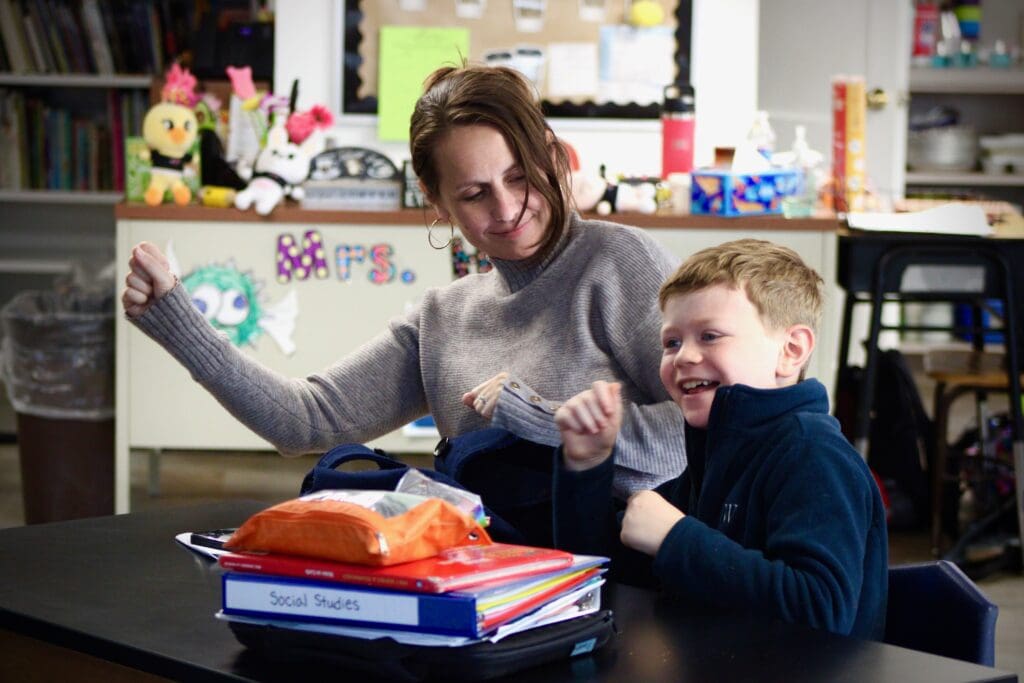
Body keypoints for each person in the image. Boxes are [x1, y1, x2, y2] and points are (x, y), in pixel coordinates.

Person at [121, 62, 686, 500]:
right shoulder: (442, 318)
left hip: (617, 582)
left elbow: (702, 428)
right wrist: (179, 323)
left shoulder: (618, 261)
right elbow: (305, 420)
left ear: (550, 154)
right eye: (473, 193)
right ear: (437, 202)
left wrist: (545, 418)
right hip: (486, 583)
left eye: (520, 176)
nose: (508, 207)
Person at [552, 239, 888, 638]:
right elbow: (603, 575)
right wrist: (587, 466)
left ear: (791, 350)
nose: (683, 357)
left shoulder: (813, 454)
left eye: (710, 336)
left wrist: (677, 539)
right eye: (671, 342)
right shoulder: (715, 451)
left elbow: (820, 611)